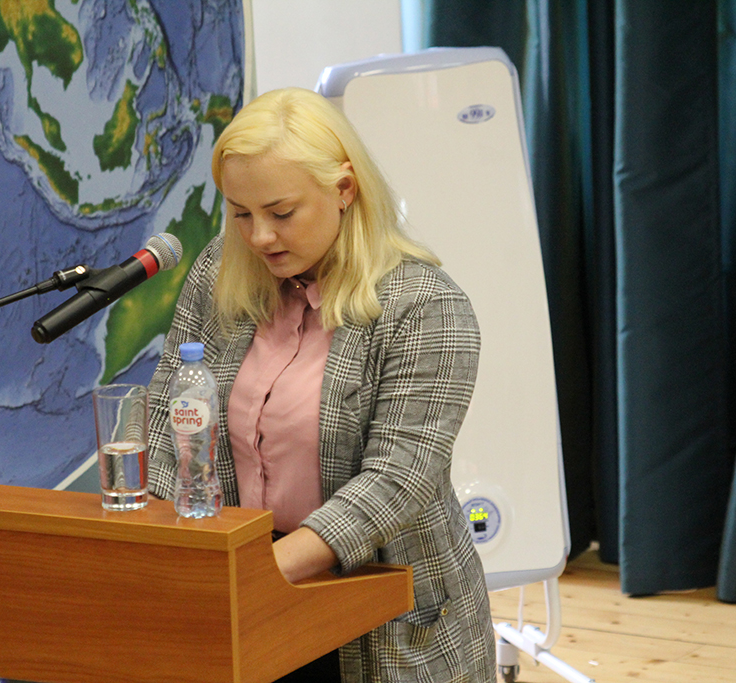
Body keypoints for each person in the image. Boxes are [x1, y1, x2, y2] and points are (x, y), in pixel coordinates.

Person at [146, 87, 495, 683]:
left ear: (344, 190)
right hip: (240, 589)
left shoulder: (425, 306)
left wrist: (259, 576)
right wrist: (164, 559)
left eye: (281, 213)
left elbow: (397, 481)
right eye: (240, 213)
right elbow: (166, 409)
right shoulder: (219, 272)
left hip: (380, 615)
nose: (259, 236)